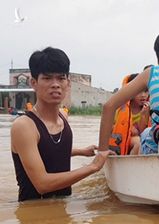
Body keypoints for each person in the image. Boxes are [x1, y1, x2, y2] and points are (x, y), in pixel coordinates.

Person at [11, 47, 111, 202]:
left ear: (68, 83)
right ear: (34, 82)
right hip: (33, 215)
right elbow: (42, 184)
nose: (55, 84)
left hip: (63, 207)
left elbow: (49, 151)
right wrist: (93, 167)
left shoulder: (63, 117)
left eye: (61, 78)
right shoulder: (24, 126)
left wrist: (81, 151)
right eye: (47, 78)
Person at [109, 73, 150, 155]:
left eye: (146, 91)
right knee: (138, 142)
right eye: (139, 92)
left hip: (136, 140)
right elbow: (109, 127)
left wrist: (143, 115)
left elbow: (143, 132)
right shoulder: (120, 107)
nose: (143, 95)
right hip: (120, 140)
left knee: (139, 141)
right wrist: (129, 128)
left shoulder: (147, 108)